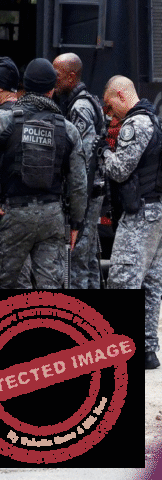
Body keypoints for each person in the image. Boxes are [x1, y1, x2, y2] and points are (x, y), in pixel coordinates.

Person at [0, 58, 87, 290]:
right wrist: (76, 223)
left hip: (13, 215)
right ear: (51, 90)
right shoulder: (68, 129)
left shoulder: (3, 121)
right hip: (52, 217)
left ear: (25, 87)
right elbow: (79, 184)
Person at [100, 76, 162, 369]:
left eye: (110, 105)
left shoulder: (135, 125)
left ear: (122, 95)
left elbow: (120, 170)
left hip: (139, 215)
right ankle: (147, 350)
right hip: (156, 212)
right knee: (151, 284)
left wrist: (103, 151)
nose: (109, 114)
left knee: (123, 279)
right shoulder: (154, 120)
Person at [53, 53, 106, 289]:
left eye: (57, 75)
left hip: (86, 193)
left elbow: (83, 159)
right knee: (89, 257)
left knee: (76, 261)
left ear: (71, 76)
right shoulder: (86, 101)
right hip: (92, 192)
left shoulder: (80, 107)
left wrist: (76, 199)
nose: (54, 80)